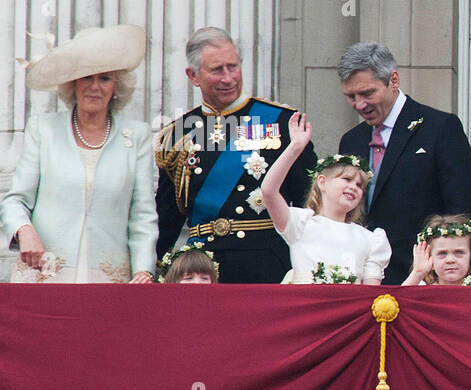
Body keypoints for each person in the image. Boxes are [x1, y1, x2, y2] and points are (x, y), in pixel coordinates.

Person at [154, 27, 315, 283]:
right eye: (217, 70)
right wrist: (157, 271)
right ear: (193, 76)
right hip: (204, 272)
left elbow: (310, 200)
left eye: (234, 67)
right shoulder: (177, 134)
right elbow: (167, 218)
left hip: (268, 263)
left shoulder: (282, 122)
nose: (228, 78)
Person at [3, 24, 157, 283]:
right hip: (44, 275)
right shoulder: (43, 130)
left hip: (108, 280)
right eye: (87, 77)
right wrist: (24, 230)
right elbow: (15, 200)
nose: (95, 86)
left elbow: (142, 214)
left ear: (116, 85)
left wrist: (143, 269)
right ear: (72, 83)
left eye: (104, 78)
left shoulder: (137, 135)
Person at [336, 43, 471, 286]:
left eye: (368, 93)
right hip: (361, 279)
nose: (360, 105)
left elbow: (464, 212)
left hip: (423, 279)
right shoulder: (351, 140)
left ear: (393, 80)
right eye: (351, 97)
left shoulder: (440, 127)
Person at [262, 114, 391, 285]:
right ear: (322, 182)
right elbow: (269, 191)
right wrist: (295, 147)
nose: (354, 187)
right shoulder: (300, 223)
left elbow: (371, 296)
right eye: (346, 179)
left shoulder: (370, 239)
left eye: (360, 185)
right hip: (307, 308)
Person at [403, 215, 471, 286]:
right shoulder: (421, 288)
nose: (450, 260)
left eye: (459, 252)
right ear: (429, 257)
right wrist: (418, 273)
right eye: (442, 253)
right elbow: (397, 301)